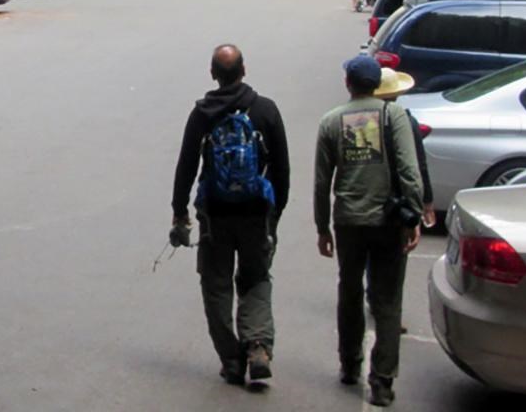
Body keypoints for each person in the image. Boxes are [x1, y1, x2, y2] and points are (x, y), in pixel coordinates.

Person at [171, 45, 291, 386]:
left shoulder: (203, 114)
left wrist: (180, 213)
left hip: (215, 216)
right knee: (256, 280)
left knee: (216, 285)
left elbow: (187, 167)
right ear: (244, 70)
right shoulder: (265, 110)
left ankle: (232, 360)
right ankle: (257, 347)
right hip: (256, 213)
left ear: (212, 73)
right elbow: (281, 169)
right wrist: (275, 214)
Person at [314, 55, 423, 407]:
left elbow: (321, 182)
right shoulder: (395, 117)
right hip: (388, 221)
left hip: (348, 220)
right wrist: (414, 215)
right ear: (377, 85)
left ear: (349, 83)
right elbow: (409, 170)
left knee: (349, 290)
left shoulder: (331, 121)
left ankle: (350, 363)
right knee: (388, 300)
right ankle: (382, 380)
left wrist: (322, 226)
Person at [371, 67, 436, 228]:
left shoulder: (359, 121)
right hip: (396, 203)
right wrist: (425, 202)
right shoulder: (405, 121)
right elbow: (418, 165)